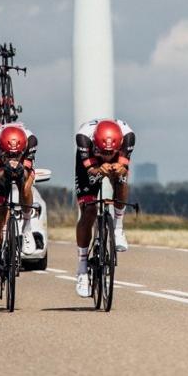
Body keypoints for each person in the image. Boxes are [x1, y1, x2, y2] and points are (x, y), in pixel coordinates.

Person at [73, 118, 135, 297]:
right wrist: (99, 169)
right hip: (90, 162)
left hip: (116, 153)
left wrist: (119, 167)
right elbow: (90, 171)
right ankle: (82, 268)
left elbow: (123, 166)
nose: (107, 156)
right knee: (89, 210)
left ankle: (118, 227)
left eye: (111, 153)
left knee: (121, 180)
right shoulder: (83, 138)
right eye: (104, 153)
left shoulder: (128, 136)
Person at [0, 122, 40, 297]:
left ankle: (27, 227)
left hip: (23, 169)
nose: (12, 157)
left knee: (26, 187)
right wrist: (5, 169)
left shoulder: (31, 140)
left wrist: (21, 171)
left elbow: (27, 173)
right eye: (9, 154)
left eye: (16, 154)